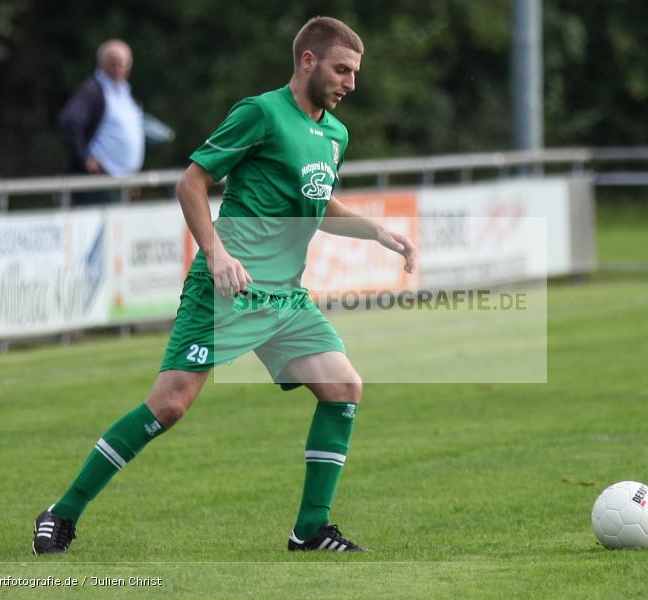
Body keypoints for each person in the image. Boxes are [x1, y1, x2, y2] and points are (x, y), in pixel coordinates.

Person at [33, 16, 416, 554]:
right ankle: (61, 513)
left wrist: (375, 230)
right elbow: (191, 181)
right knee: (168, 406)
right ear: (308, 61)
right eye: (341, 69)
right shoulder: (260, 112)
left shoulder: (334, 134)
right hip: (227, 290)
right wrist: (216, 253)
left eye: (354, 73)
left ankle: (310, 530)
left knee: (344, 389)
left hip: (283, 296)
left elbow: (316, 200)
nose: (350, 82)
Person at [58, 39, 145, 205]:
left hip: (125, 184)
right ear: (102, 64)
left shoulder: (128, 92)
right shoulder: (93, 90)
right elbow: (70, 121)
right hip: (100, 184)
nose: (118, 68)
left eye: (123, 64)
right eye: (113, 63)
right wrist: (84, 157)